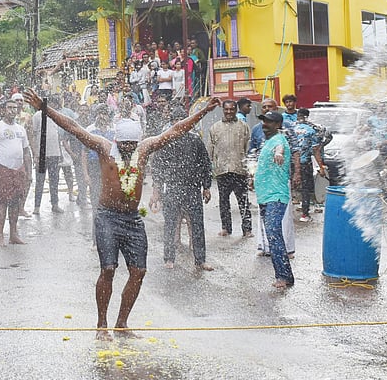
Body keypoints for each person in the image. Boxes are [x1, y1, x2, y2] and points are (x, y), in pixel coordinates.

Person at [24, 90, 219, 334]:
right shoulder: (105, 148)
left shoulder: (144, 149)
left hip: (133, 219)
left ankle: (122, 323)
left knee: (139, 272)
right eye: (124, 144)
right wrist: (45, 109)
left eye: (131, 145)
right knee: (108, 269)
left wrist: (203, 111)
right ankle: (101, 324)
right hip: (107, 216)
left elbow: (176, 130)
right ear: (117, 142)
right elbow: (74, 128)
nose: (128, 149)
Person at [149, 105, 214, 271]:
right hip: (171, 188)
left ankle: (200, 260)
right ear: (171, 123)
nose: (179, 125)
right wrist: (156, 191)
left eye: (182, 122)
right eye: (175, 122)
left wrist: (206, 186)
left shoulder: (195, 140)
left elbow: (205, 164)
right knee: (170, 224)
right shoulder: (165, 141)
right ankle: (169, 258)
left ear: (188, 123)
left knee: (197, 224)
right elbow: (157, 167)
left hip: (192, 188)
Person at [255, 111, 294, 289]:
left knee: (274, 234)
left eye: (269, 122)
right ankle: (284, 275)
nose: (264, 124)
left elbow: (281, 149)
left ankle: (284, 277)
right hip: (265, 196)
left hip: (276, 196)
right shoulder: (267, 141)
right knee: (272, 236)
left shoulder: (279, 141)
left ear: (278, 125)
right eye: (263, 121)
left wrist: (279, 154)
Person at [0, 99, 32, 246]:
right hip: (2, 169)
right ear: (3, 110)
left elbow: (26, 151)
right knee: (2, 202)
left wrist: (28, 171)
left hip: (18, 170)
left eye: (15, 108)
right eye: (9, 107)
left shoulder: (20, 129)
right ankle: (0, 235)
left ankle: (13, 234)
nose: (12, 110)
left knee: (16, 202)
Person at [208, 98, 252, 237]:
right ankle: (226, 228)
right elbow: (210, 150)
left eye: (232, 109)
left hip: (239, 169)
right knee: (223, 201)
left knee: (243, 201)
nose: (229, 112)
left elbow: (248, 149)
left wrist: (250, 171)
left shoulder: (243, 126)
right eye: (226, 109)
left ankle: (247, 229)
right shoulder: (215, 128)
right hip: (222, 170)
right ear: (223, 110)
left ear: (235, 110)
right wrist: (209, 170)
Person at [287, 108, 328, 223]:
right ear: (307, 116)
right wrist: (321, 167)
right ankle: (305, 214)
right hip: (305, 163)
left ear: (297, 115)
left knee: (289, 187)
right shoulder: (312, 129)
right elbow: (315, 150)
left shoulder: (290, 128)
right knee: (306, 189)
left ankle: (288, 213)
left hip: (291, 163)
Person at [28, 95, 67, 215]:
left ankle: (55, 205)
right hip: (41, 154)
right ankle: (36, 207)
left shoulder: (56, 117)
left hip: (54, 154)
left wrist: (60, 153)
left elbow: (58, 136)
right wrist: (35, 153)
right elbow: (32, 135)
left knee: (54, 180)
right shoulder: (37, 116)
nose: (53, 107)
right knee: (40, 180)